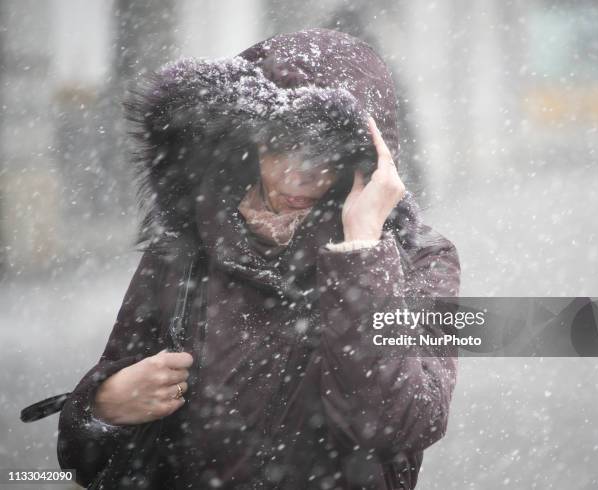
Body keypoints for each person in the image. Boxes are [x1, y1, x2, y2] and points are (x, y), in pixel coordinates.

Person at [57, 28, 461, 489]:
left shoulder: (421, 260)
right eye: (279, 147)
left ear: (363, 160)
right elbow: (81, 460)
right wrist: (101, 406)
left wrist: (362, 251)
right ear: (248, 145)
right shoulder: (185, 248)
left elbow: (401, 425)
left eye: (321, 155)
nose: (296, 177)